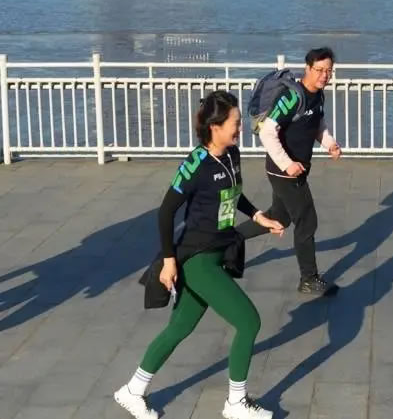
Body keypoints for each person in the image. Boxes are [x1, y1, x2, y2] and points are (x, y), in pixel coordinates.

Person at [113, 91, 285, 419]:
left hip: (218, 252)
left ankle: (132, 390)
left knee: (179, 328)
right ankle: (236, 403)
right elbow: (166, 212)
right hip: (198, 260)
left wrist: (258, 216)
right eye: (235, 123)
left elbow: (233, 193)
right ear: (215, 127)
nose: (240, 128)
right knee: (249, 322)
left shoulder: (231, 155)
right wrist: (169, 262)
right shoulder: (195, 165)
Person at [237, 47, 342, 294]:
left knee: (279, 217)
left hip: (297, 170)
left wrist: (329, 143)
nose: (324, 75)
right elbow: (267, 132)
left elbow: (317, 123)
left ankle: (227, 239)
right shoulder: (292, 97)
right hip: (283, 172)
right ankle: (308, 279)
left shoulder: (318, 96)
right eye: (319, 70)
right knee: (307, 220)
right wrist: (287, 164)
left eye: (329, 71)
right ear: (307, 68)